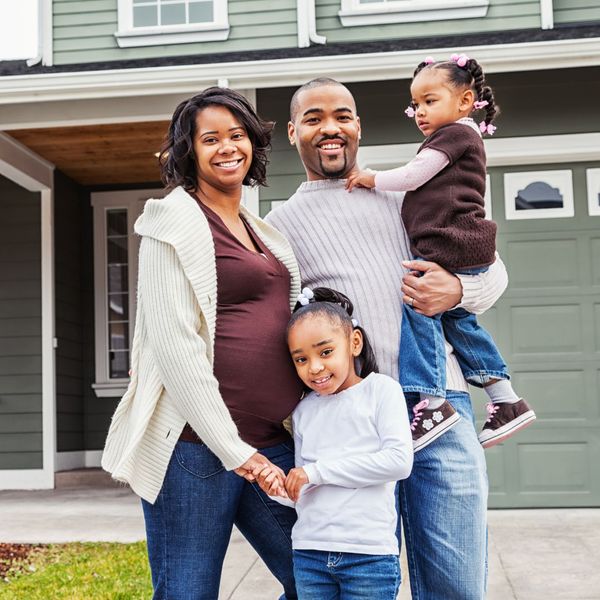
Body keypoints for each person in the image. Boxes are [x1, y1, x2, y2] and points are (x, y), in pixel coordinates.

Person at [265, 76, 509, 599]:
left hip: (438, 406)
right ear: (292, 132)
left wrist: (456, 289)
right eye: (313, 118)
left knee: (456, 584)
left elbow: (493, 277)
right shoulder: (278, 226)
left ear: (358, 126)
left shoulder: (405, 191)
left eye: (342, 116)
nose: (330, 128)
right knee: (360, 582)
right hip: (350, 422)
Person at [101, 87, 303, 599]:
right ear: (189, 151)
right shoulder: (174, 221)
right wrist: (236, 451)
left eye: (237, 135)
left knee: (322, 579)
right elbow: (176, 350)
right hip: (196, 450)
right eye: (209, 138)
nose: (227, 147)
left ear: (254, 144)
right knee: (187, 593)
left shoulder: (259, 229)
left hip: (270, 444)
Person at [346, 55, 536, 451]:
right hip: (462, 245)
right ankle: (506, 398)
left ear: (465, 101)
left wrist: (371, 178)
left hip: (452, 243)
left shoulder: (455, 135)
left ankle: (433, 402)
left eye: (430, 101)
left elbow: (414, 175)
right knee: (460, 323)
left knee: (420, 309)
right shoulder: (461, 136)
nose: (419, 112)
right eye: (415, 104)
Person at [254, 287, 413, 600]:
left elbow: (399, 461)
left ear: (354, 343)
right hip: (310, 554)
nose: (314, 367)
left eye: (325, 352)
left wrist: (316, 472)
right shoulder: (303, 411)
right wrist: (280, 490)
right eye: (301, 359)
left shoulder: (382, 391)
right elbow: (305, 489)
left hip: (368, 556)